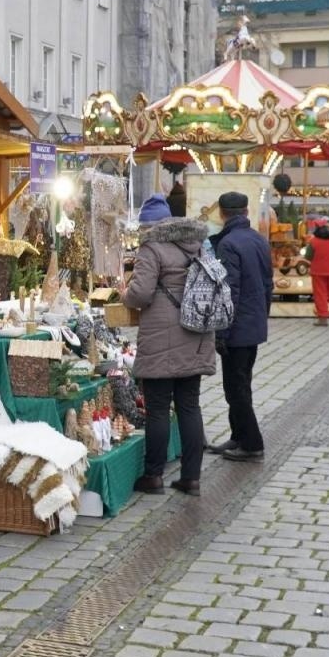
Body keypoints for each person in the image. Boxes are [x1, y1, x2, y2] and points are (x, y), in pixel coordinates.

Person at [121, 194, 213, 496]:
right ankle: (192, 478)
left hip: (161, 335)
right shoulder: (197, 243)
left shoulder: (152, 246)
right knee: (190, 406)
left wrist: (124, 294)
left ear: (150, 225)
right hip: (196, 332)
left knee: (158, 408)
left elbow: (140, 293)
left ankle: (154, 476)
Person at [209, 192, 273, 462]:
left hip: (236, 327)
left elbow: (229, 292)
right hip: (253, 323)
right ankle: (237, 436)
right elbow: (268, 284)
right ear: (246, 212)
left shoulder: (228, 244)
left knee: (236, 388)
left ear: (221, 214)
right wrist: (261, 316)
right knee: (241, 382)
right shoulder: (259, 240)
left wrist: (221, 332)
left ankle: (252, 443)